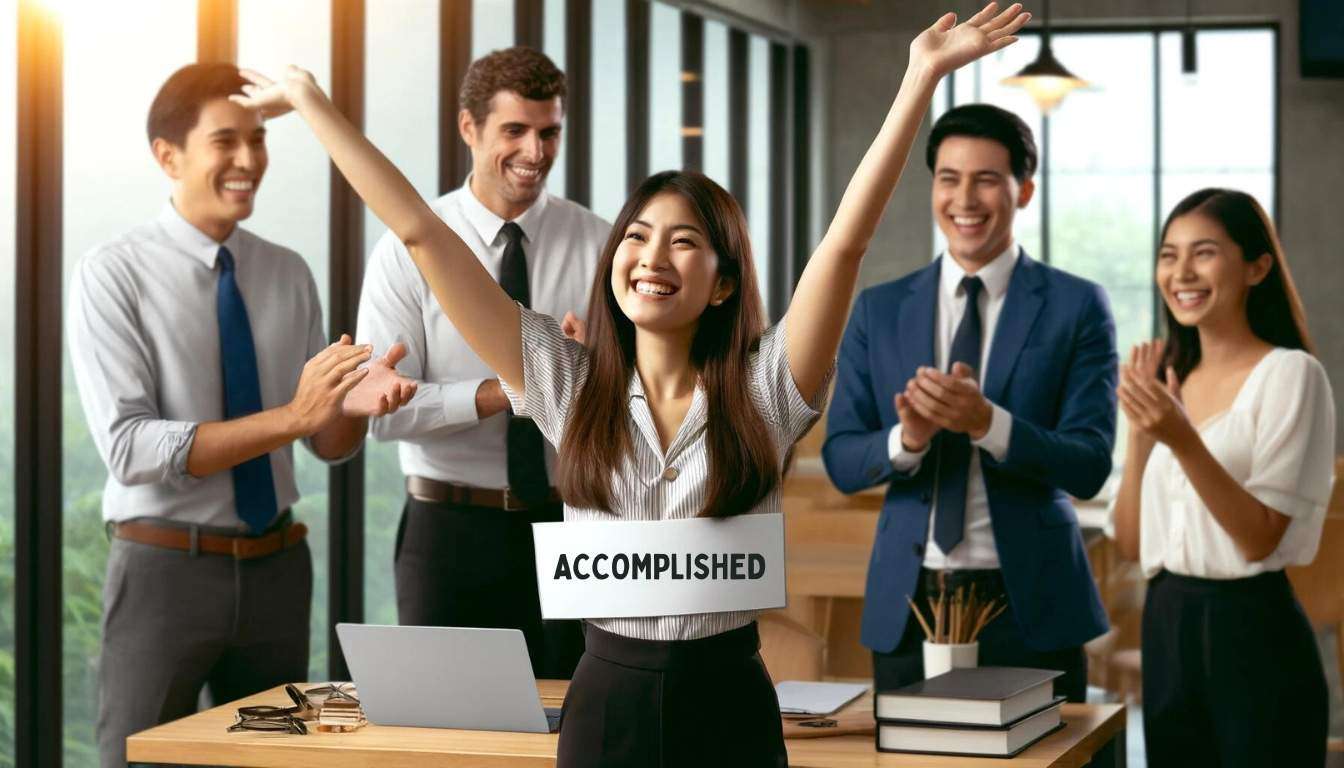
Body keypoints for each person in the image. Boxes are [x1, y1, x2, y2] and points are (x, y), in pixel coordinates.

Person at [233, 3, 1029, 763]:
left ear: (722, 282)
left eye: (684, 242)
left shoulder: (766, 390)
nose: (652, 256)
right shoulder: (566, 384)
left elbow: (844, 247)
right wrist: (311, 103)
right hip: (607, 695)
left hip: (730, 698)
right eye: (638, 236)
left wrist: (918, 79)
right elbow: (420, 233)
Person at [66, 62, 414, 768]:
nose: (249, 160)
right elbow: (130, 448)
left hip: (276, 570)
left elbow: (325, 443)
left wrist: (351, 406)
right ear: (168, 155)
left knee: (270, 763)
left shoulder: (288, 271)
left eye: (258, 140)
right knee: (135, 758)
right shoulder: (112, 272)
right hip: (165, 570)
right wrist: (295, 416)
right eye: (225, 141)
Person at [822, 102, 1114, 701]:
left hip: (1032, 603)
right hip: (910, 603)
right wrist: (908, 440)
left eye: (986, 180)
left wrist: (988, 424)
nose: (964, 199)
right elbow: (842, 461)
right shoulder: (880, 310)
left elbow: (1089, 464)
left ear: (1023, 190)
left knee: (1044, 752)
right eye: (949, 179)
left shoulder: (1077, 306)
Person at [356, 47, 603, 679]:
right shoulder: (406, 250)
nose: (536, 152)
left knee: (577, 715)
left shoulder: (601, 244)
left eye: (549, 132)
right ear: (469, 128)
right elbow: (383, 415)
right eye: (515, 131)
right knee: (447, 721)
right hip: (449, 531)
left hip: (575, 527)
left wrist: (599, 370)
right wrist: (507, 391)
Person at [1110, 188, 1333, 768]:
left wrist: (1181, 438)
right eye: (1168, 255)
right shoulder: (1169, 380)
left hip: (1252, 630)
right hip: (1165, 624)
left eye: (1204, 252)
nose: (1181, 272)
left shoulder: (1291, 375)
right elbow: (1132, 545)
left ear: (1258, 267)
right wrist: (1141, 433)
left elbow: (1259, 538)